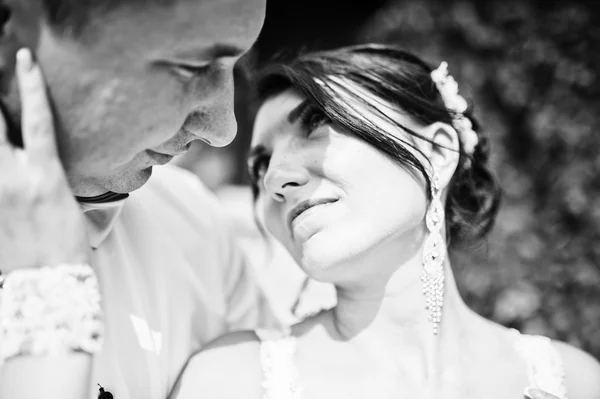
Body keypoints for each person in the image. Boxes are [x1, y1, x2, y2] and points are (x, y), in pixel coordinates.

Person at [171, 44, 600, 398]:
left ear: (439, 153)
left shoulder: (574, 382)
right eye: (261, 165)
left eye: (317, 123)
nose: (276, 178)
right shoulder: (230, 381)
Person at [0, 0, 275, 398]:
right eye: (193, 67)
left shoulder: (196, 225)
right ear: (8, 35)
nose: (224, 128)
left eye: (236, 69)